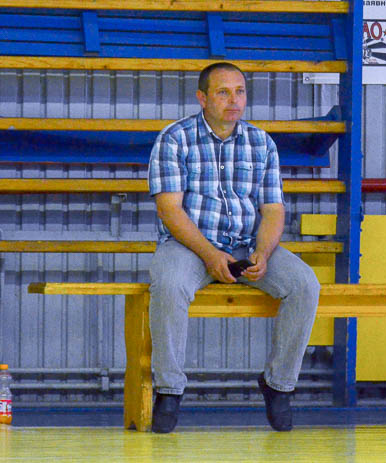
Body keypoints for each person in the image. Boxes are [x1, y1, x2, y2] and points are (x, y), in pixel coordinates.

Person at [147, 62, 320, 433]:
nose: (234, 100)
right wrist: (210, 255)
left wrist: (264, 251)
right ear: (202, 98)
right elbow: (169, 210)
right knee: (169, 284)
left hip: (246, 243)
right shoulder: (174, 138)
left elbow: (273, 209)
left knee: (305, 285)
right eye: (223, 92)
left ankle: (278, 385)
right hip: (189, 245)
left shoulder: (262, 142)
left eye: (239, 91)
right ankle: (169, 389)